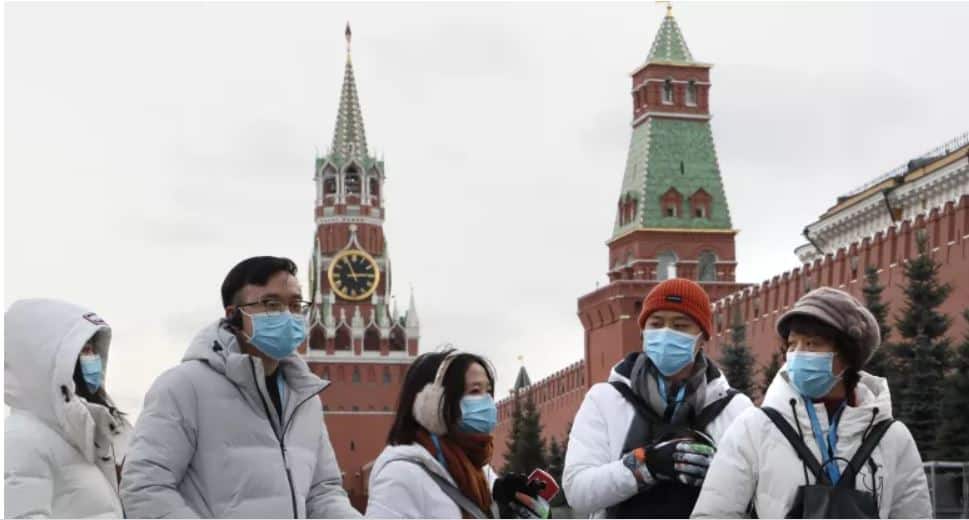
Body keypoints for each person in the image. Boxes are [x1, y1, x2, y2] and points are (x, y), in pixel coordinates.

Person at [121, 256, 360, 518]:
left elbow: (322, 493)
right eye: (271, 304)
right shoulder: (183, 387)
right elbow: (144, 488)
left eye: (295, 305)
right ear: (233, 315)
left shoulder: (304, 398)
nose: (287, 315)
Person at [692, 287, 933, 518]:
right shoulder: (754, 428)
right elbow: (715, 513)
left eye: (812, 344)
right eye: (792, 344)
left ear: (847, 355)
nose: (798, 354)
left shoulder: (891, 438)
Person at [563, 278, 753, 518]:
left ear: (702, 336)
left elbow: (758, 496)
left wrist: (720, 475)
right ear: (643, 332)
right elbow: (578, 491)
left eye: (680, 325)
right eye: (656, 323)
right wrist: (646, 465)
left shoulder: (734, 409)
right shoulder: (606, 400)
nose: (666, 333)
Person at [366, 349, 544, 518]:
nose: (487, 401)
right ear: (432, 406)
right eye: (475, 391)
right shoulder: (400, 477)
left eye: (488, 391)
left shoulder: (475, 472)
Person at [5, 299, 133, 518]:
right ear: (47, 361)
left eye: (94, 350)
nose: (93, 359)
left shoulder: (81, 437)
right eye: (85, 350)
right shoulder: (21, 439)